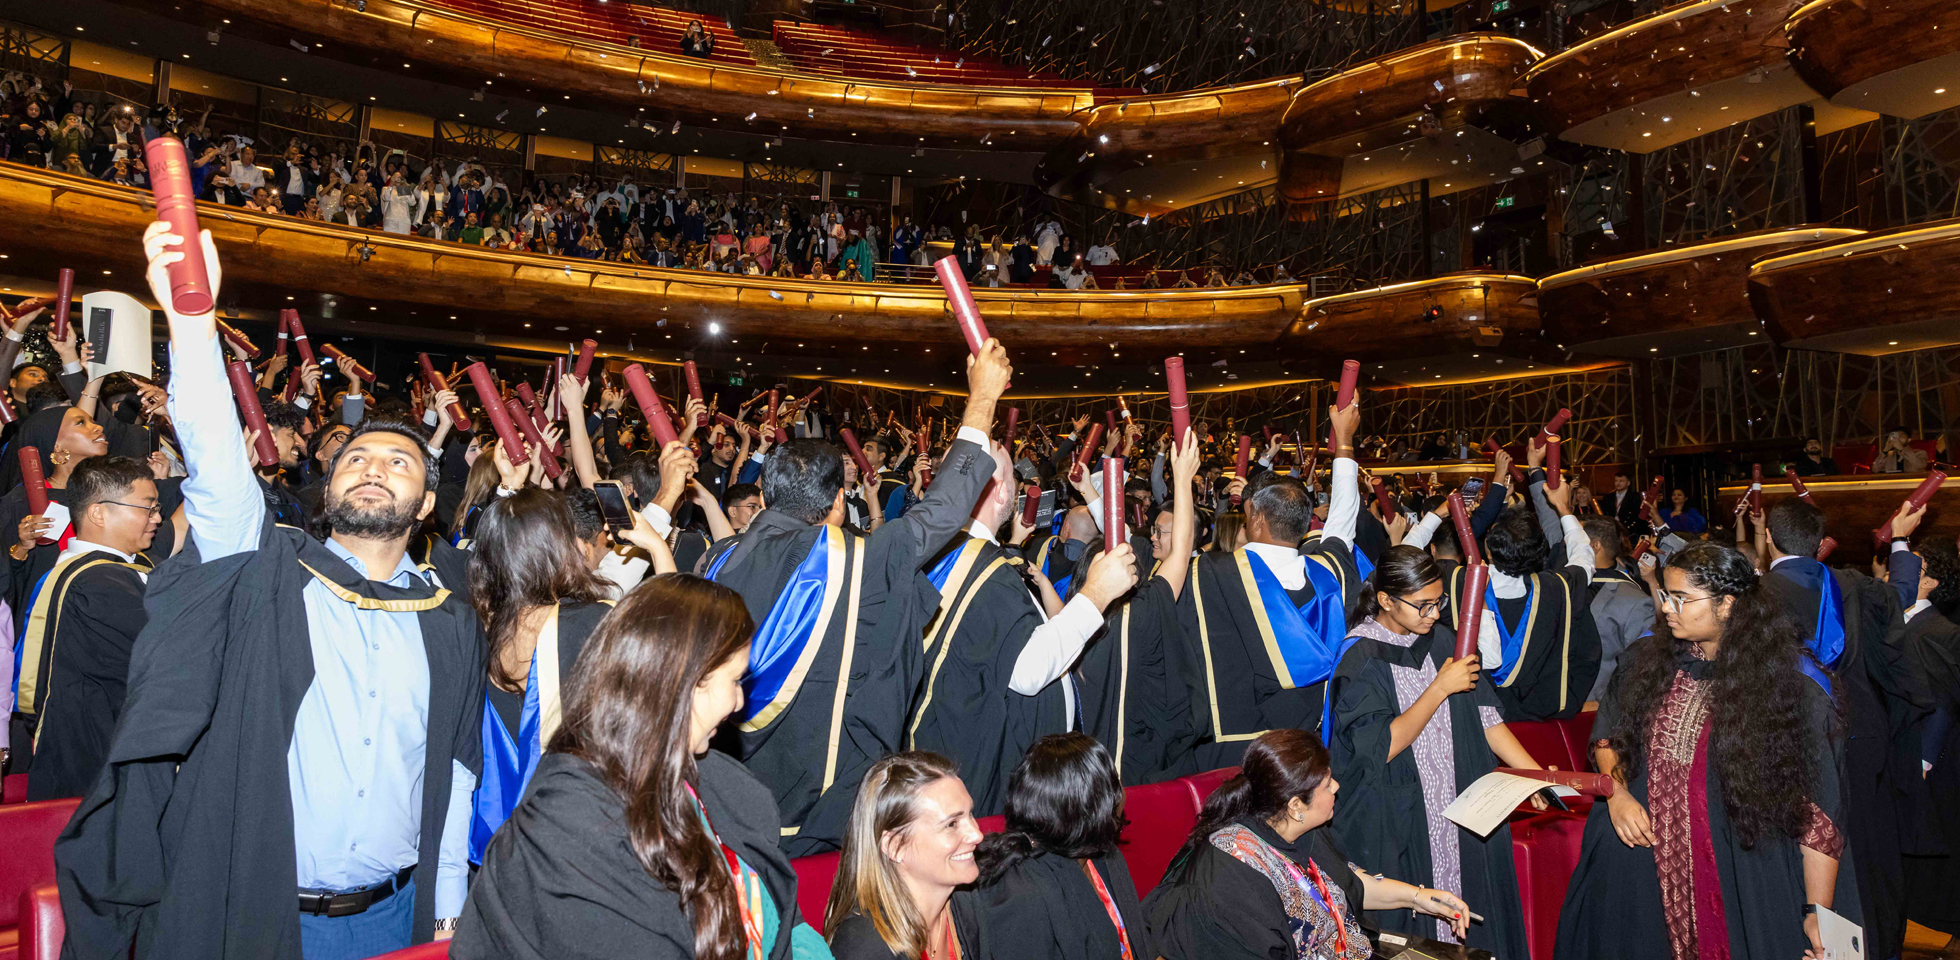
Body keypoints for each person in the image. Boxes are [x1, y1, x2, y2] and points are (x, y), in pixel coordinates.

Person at [58, 220, 485, 960]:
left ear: (425, 507)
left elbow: (451, 771)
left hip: (397, 914)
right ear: (327, 486)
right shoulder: (270, 577)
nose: (374, 465)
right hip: (255, 909)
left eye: (400, 461)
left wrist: (447, 902)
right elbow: (221, 474)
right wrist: (192, 325)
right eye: (357, 455)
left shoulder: (449, 623)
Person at [700, 342, 1011, 855]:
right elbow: (938, 515)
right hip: (809, 816)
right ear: (836, 503)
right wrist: (981, 400)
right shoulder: (843, 560)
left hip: (722, 803)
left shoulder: (717, 558)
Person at [455, 575, 831, 959]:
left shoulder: (720, 785)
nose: (738, 702)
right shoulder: (564, 831)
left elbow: (787, 920)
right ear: (685, 683)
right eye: (735, 680)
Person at [1555, 542, 1854, 960]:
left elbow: (1818, 816)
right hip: (1641, 867)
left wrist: (1816, 910)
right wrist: (1616, 793)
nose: (1667, 607)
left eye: (1681, 598)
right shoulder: (1647, 660)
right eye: (1665, 595)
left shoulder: (1791, 688)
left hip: (1739, 875)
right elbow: (1609, 737)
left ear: (1728, 604)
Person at [905, 438, 1138, 816]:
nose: (1018, 482)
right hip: (991, 772)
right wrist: (1095, 593)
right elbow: (1027, 671)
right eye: (1012, 472)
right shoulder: (982, 568)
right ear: (999, 493)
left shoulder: (941, 550)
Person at [1323, 546, 1533, 956]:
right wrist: (1439, 687)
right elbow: (1383, 746)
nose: (1434, 614)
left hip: (1459, 804)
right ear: (1385, 600)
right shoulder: (1360, 658)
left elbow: (1486, 717)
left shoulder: (1443, 641)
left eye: (1439, 602)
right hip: (1399, 816)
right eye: (1422, 605)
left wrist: (1538, 776)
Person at [1751, 496, 1932, 959]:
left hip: (1787, 738)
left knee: (1802, 845)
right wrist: (1900, 541)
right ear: (1820, 542)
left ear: (1769, 537)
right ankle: (1871, 945)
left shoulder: (1752, 598)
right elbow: (1903, 594)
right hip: (1862, 734)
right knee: (1865, 848)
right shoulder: (1853, 585)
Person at [465, 488, 674, 864]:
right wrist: (658, 550)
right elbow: (672, 664)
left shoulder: (476, 625)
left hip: (498, 829)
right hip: (574, 828)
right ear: (562, 548)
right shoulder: (593, 621)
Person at [1144, 729, 1472, 960]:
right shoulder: (1234, 870)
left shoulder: (1299, 831)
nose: (1338, 787)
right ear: (1296, 806)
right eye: (1328, 784)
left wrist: (1420, 898)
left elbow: (1347, 885)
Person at [1177, 398, 1363, 771]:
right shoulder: (1332, 574)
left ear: (1258, 520)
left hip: (1243, 756)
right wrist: (1344, 442)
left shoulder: (1211, 573)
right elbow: (1343, 520)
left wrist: (1183, 483)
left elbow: (1175, 561)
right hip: (1315, 749)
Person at [20, 456, 162, 801]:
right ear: (99, 513)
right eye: (148, 507)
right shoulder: (97, 581)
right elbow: (164, 660)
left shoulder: (105, 572)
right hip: (98, 777)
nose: (157, 517)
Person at [1071, 429, 1203, 781]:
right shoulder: (1145, 607)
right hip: (1139, 753)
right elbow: (1181, 547)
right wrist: (1184, 480)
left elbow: (1124, 536)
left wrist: (1086, 491)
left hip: (1083, 758)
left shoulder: (1076, 615)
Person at [950, 733, 1153, 960]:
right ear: (1092, 806)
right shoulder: (1023, 900)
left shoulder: (1105, 857)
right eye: (1113, 781)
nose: (1121, 792)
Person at [1444, 447, 1602, 721]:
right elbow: (1584, 558)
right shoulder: (1556, 588)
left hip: (1476, 713)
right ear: (1540, 554)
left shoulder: (1458, 582)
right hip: (1538, 712)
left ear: (1490, 552)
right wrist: (1563, 506)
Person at [825, 751, 982, 959]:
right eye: (951, 824)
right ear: (896, 846)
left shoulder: (968, 902)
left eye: (970, 814)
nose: (977, 834)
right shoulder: (865, 948)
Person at [1579, 516, 1653, 705]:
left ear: (1594, 546)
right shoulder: (1564, 586)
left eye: (1574, 539)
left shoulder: (1635, 601)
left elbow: (1642, 669)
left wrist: (1605, 703)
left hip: (1600, 708)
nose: (1567, 545)